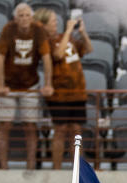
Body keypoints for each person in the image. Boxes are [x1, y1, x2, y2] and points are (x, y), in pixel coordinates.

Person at [0, 3, 53, 169]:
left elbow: (46, 58)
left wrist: (48, 84)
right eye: (21, 15)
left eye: (27, 15)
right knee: (5, 125)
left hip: (30, 84)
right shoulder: (8, 29)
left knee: (30, 125)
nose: (24, 18)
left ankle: (31, 165)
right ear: (15, 18)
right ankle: (3, 167)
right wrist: (0, 84)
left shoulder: (38, 30)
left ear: (32, 17)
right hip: (9, 84)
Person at [34, 9, 92, 170]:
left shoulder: (65, 38)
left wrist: (83, 33)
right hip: (59, 94)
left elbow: (87, 49)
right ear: (43, 25)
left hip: (77, 92)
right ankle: (57, 167)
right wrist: (68, 31)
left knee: (76, 130)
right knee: (60, 129)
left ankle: (78, 169)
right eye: (53, 21)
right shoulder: (44, 42)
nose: (56, 23)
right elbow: (58, 55)